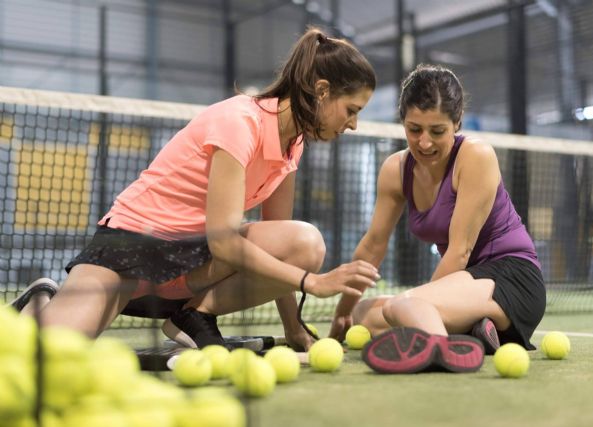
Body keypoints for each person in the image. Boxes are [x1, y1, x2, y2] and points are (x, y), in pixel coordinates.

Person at [11, 28, 380, 352]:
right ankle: (42, 300)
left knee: (305, 242)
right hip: (133, 244)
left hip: (194, 265)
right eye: (351, 109)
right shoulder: (241, 122)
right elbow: (225, 242)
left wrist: (292, 325)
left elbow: (281, 250)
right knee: (55, 351)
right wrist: (311, 282)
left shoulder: (292, 144)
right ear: (321, 91)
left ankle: (194, 316)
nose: (353, 125)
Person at [328, 64, 546, 374]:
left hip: (511, 279)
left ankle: (444, 350)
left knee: (401, 306)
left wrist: (416, 305)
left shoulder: (476, 157)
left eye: (437, 131)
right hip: (464, 285)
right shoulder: (396, 170)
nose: (424, 142)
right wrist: (342, 314)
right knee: (366, 313)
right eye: (414, 129)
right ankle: (476, 334)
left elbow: (459, 251)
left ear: (457, 123)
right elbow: (373, 245)